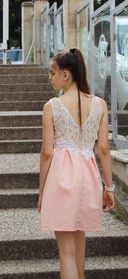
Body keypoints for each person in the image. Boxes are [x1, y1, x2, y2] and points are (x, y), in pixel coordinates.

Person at [37, 48, 115, 279]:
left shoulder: (52, 106)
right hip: (88, 176)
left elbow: (47, 153)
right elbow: (103, 149)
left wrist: (42, 191)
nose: (50, 77)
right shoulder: (100, 104)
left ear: (66, 74)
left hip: (62, 176)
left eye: (52, 72)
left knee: (66, 251)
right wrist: (108, 187)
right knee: (79, 246)